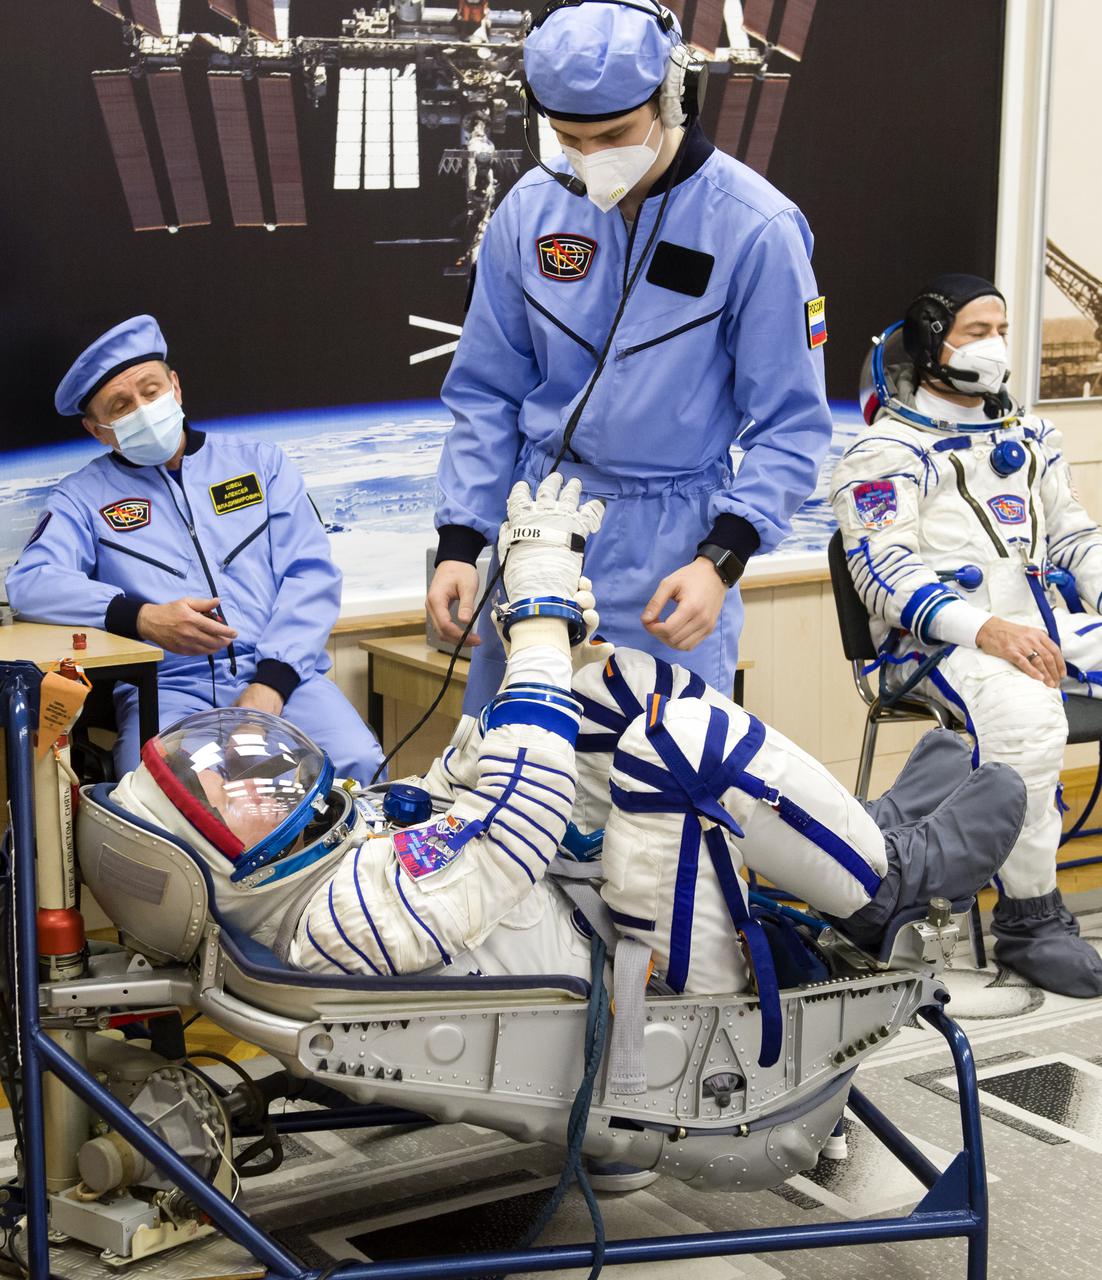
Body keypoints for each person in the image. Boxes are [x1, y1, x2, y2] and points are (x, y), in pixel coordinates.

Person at [98, 474, 1022, 1001]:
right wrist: (535, 621)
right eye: (224, 802)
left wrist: (531, 680)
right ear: (218, 861)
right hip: (645, 985)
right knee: (676, 746)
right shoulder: (339, 916)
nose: (252, 787)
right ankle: (882, 883)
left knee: (603, 687)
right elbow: (510, 821)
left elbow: (461, 804)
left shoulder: (324, 865)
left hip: (599, 911)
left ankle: (860, 837)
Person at [428, 0, 832, 714]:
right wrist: (461, 542)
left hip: (672, 551)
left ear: (673, 97)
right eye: (567, 136)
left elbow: (791, 427)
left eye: (613, 133)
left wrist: (720, 562)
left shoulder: (756, 229)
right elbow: (487, 393)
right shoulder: (530, 212)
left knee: (658, 795)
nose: (589, 157)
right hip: (537, 535)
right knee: (514, 775)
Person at [831, 273, 1102, 997]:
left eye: (1001, 331)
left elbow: (1075, 535)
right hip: (938, 645)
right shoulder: (885, 453)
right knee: (1026, 713)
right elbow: (883, 575)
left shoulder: (1031, 437)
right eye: (976, 333)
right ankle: (1031, 921)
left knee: (1030, 688)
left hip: (1044, 626)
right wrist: (988, 630)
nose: (997, 347)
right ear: (928, 345)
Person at [6, 315, 383, 781]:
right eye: (121, 405)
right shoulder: (81, 498)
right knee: (162, 795)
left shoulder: (261, 465)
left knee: (357, 764)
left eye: (150, 390)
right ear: (96, 429)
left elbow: (311, 576)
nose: (143, 410)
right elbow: (30, 584)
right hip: (167, 690)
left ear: (176, 388)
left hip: (282, 675)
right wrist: (142, 617)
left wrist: (269, 685)